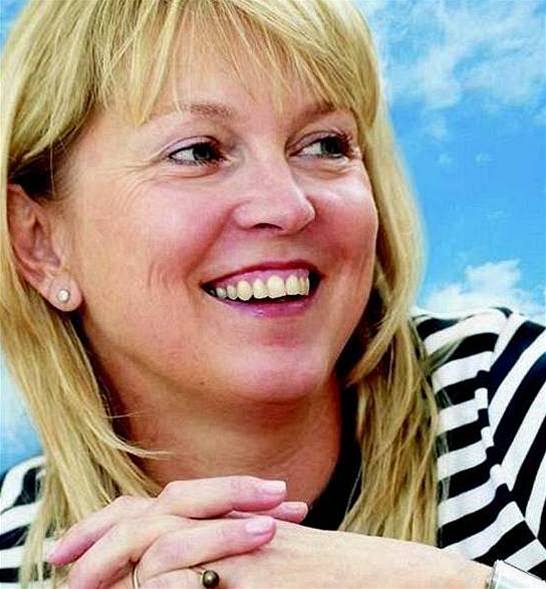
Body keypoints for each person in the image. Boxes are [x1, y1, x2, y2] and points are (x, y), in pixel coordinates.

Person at [0, 0, 544, 587]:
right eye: (198, 152)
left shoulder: (508, 398)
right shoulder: (14, 547)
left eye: (324, 145)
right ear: (40, 240)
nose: (287, 205)